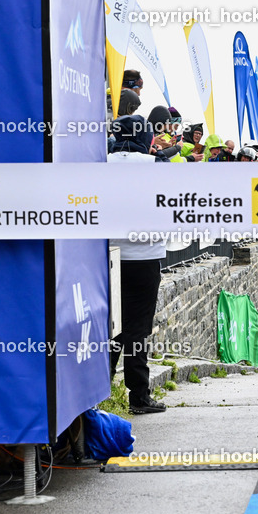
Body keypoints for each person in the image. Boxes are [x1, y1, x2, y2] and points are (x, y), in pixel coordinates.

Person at [107, 113, 167, 414]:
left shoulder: (100, 163)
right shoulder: (156, 166)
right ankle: (139, 397)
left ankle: (98, 392)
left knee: (110, 328)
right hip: (145, 257)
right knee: (136, 330)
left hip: (109, 258)